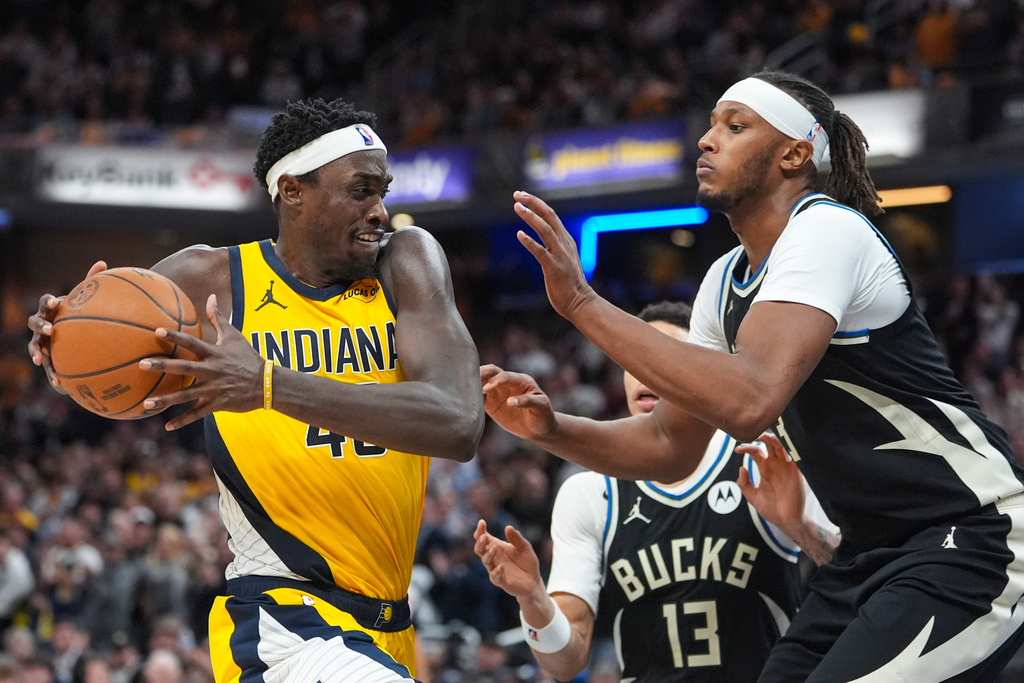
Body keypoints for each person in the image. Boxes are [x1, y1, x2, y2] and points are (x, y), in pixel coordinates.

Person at [481, 71, 1024, 681]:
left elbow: (750, 400)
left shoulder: (827, 229)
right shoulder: (723, 281)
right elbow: (668, 445)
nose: (707, 141)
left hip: (971, 535)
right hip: (867, 555)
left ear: (794, 155)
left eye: (734, 127)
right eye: (711, 125)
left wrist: (582, 303)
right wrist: (551, 428)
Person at [28, 98, 485, 682]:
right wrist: (58, 344)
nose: (380, 210)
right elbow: (101, 362)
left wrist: (269, 384)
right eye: (361, 191)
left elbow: (458, 422)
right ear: (293, 191)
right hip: (282, 616)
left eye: (383, 192)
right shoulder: (210, 279)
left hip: (392, 625)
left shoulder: (407, 262)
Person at [474, 300, 836, 682]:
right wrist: (532, 597)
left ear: (704, 371)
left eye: (665, 357)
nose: (647, 373)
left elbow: (857, 569)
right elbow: (566, 661)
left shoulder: (761, 460)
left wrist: (799, 527)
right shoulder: (589, 491)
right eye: (636, 360)